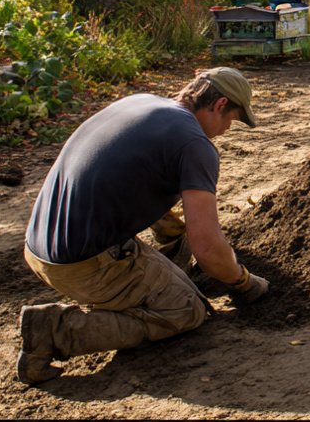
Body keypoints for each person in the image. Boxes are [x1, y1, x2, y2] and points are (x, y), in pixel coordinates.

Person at [16, 67, 269, 385]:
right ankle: (55, 331)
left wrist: (172, 237)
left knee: (180, 258)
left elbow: (128, 182)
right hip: (82, 265)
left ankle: (154, 282)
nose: (226, 129)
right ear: (219, 105)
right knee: (188, 310)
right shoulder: (194, 145)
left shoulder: (139, 103)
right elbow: (207, 248)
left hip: (39, 244)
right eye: (231, 120)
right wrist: (244, 282)